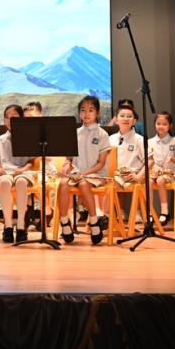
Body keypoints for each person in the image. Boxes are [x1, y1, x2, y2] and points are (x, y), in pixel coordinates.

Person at [56, 95, 111, 245]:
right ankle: (64, 222)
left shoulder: (102, 134)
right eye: (83, 110)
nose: (86, 114)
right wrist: (66, 164)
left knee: (84, 183)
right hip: (76, 173)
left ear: (97, 113)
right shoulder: (74, 133)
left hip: (95, 174)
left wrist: (83, 174)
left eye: (90, 110)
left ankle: (93, 221)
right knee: (63, 184)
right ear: (79, 113)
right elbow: (69, 158)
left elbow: (101, 163)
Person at [0, 104, 33, 243]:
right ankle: (8, 226)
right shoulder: (0, 140)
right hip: (5, 172)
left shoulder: (28, 138)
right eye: (7, 117)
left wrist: (24, 169)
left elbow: (32, 161)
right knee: (4, 182)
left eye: (14, 117)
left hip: (22, 171)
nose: (9, 120)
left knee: (21, 182)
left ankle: (21, 226)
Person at [149, 111, 175, 226]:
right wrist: (155, 167)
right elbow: (149, 160)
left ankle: (164, 212)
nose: (161, 126)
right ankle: (149, 212)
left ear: (170, 126)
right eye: (158, 123)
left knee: (161, 180)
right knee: (148, 181)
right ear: (155, 124)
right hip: (155, 172)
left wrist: (172, 159)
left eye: (164, 124)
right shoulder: (150, 142)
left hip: (171, 173)